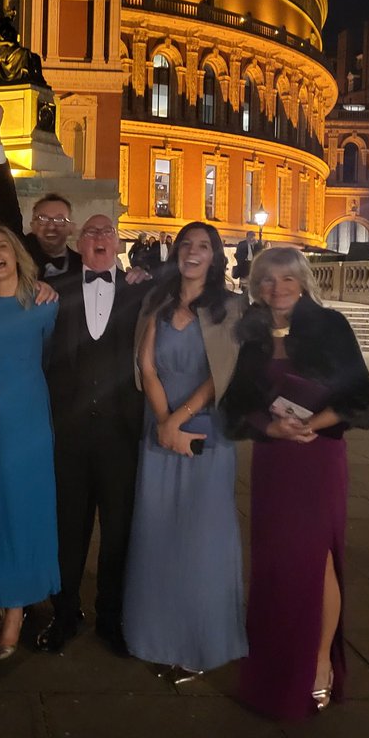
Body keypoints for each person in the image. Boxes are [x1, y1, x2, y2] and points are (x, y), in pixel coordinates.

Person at [221, 246, 369, 719]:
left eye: (287, 279)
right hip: (274, 461)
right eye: (268, 280)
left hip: (318, 456)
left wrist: (314, 423)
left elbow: (362, 394)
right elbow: (235, 405)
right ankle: (273, 665)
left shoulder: (330, 326)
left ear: (303, 281)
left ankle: (320, 664)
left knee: (317, 560)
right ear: (256, 286)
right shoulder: (253, 334)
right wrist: (270, 428)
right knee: (274, 565)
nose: (277, 288)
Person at [122, 222, 247, 680]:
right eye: (186, 245)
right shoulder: (157, 302)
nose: (193, 252)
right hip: (159, 429)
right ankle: (157, 638)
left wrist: (177, 421)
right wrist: (162, 422)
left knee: (200, 541)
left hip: (205, 432)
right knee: (159, 536)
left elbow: (224, 372)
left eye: (203, 246)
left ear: (215, 257)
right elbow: (147, 365)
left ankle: (198, 644)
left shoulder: (230, 307)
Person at [37, 214, 152, 655]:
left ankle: (111, 619)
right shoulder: (55, 291)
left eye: (106, 233)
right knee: (68, 530)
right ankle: (64, 615)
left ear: (118, 243)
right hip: (68, 433)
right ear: (78, 244)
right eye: (91, 233)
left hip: (121, 433)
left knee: (118, 530)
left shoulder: (139, 289)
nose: (99, 238)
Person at [0, 227, 59, 659]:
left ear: (16, 254)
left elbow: (62, 359)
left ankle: (16, 609)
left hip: (30, 420)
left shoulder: (44, 303)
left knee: (25, 510)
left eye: (2, 247)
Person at [0, 103, 82, 279]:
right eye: (43, 219)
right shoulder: (19, 256)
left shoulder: (84, 266)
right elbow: (6, 202)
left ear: (71, 227)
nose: (51, 226)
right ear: (33, 225)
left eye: (60, 219)